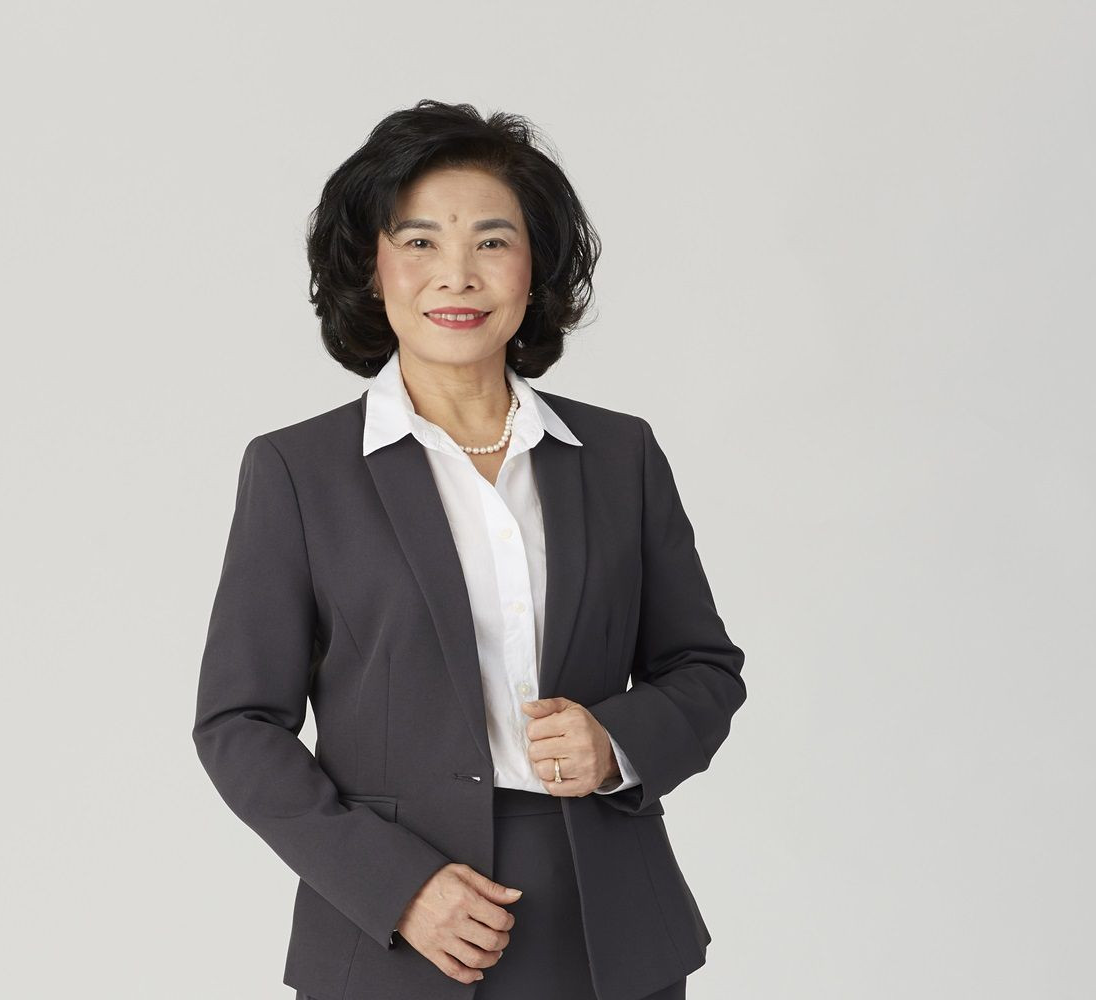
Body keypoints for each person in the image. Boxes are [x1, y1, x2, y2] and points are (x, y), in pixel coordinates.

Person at [192, 99, 746, 1000]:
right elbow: (238, 724)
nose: (457, 275)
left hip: (610, 929)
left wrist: (618, 742)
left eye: (492, 240)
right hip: (400, 936)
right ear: (371, 268)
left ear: (535, 268)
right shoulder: (298, 470)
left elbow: (703, 667)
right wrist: (396, 887)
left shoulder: (620, 455)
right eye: (419, 242)